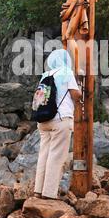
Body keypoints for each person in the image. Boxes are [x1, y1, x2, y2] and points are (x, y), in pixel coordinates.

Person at [33, 49, 82, 200]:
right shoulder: (67, 72)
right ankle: (49, 193)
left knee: (44, 155)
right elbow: (76, 94)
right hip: (60, 120)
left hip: (43, 121)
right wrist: (79, 83)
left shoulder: (46, 75)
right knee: (56, 157)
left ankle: (38, 190)